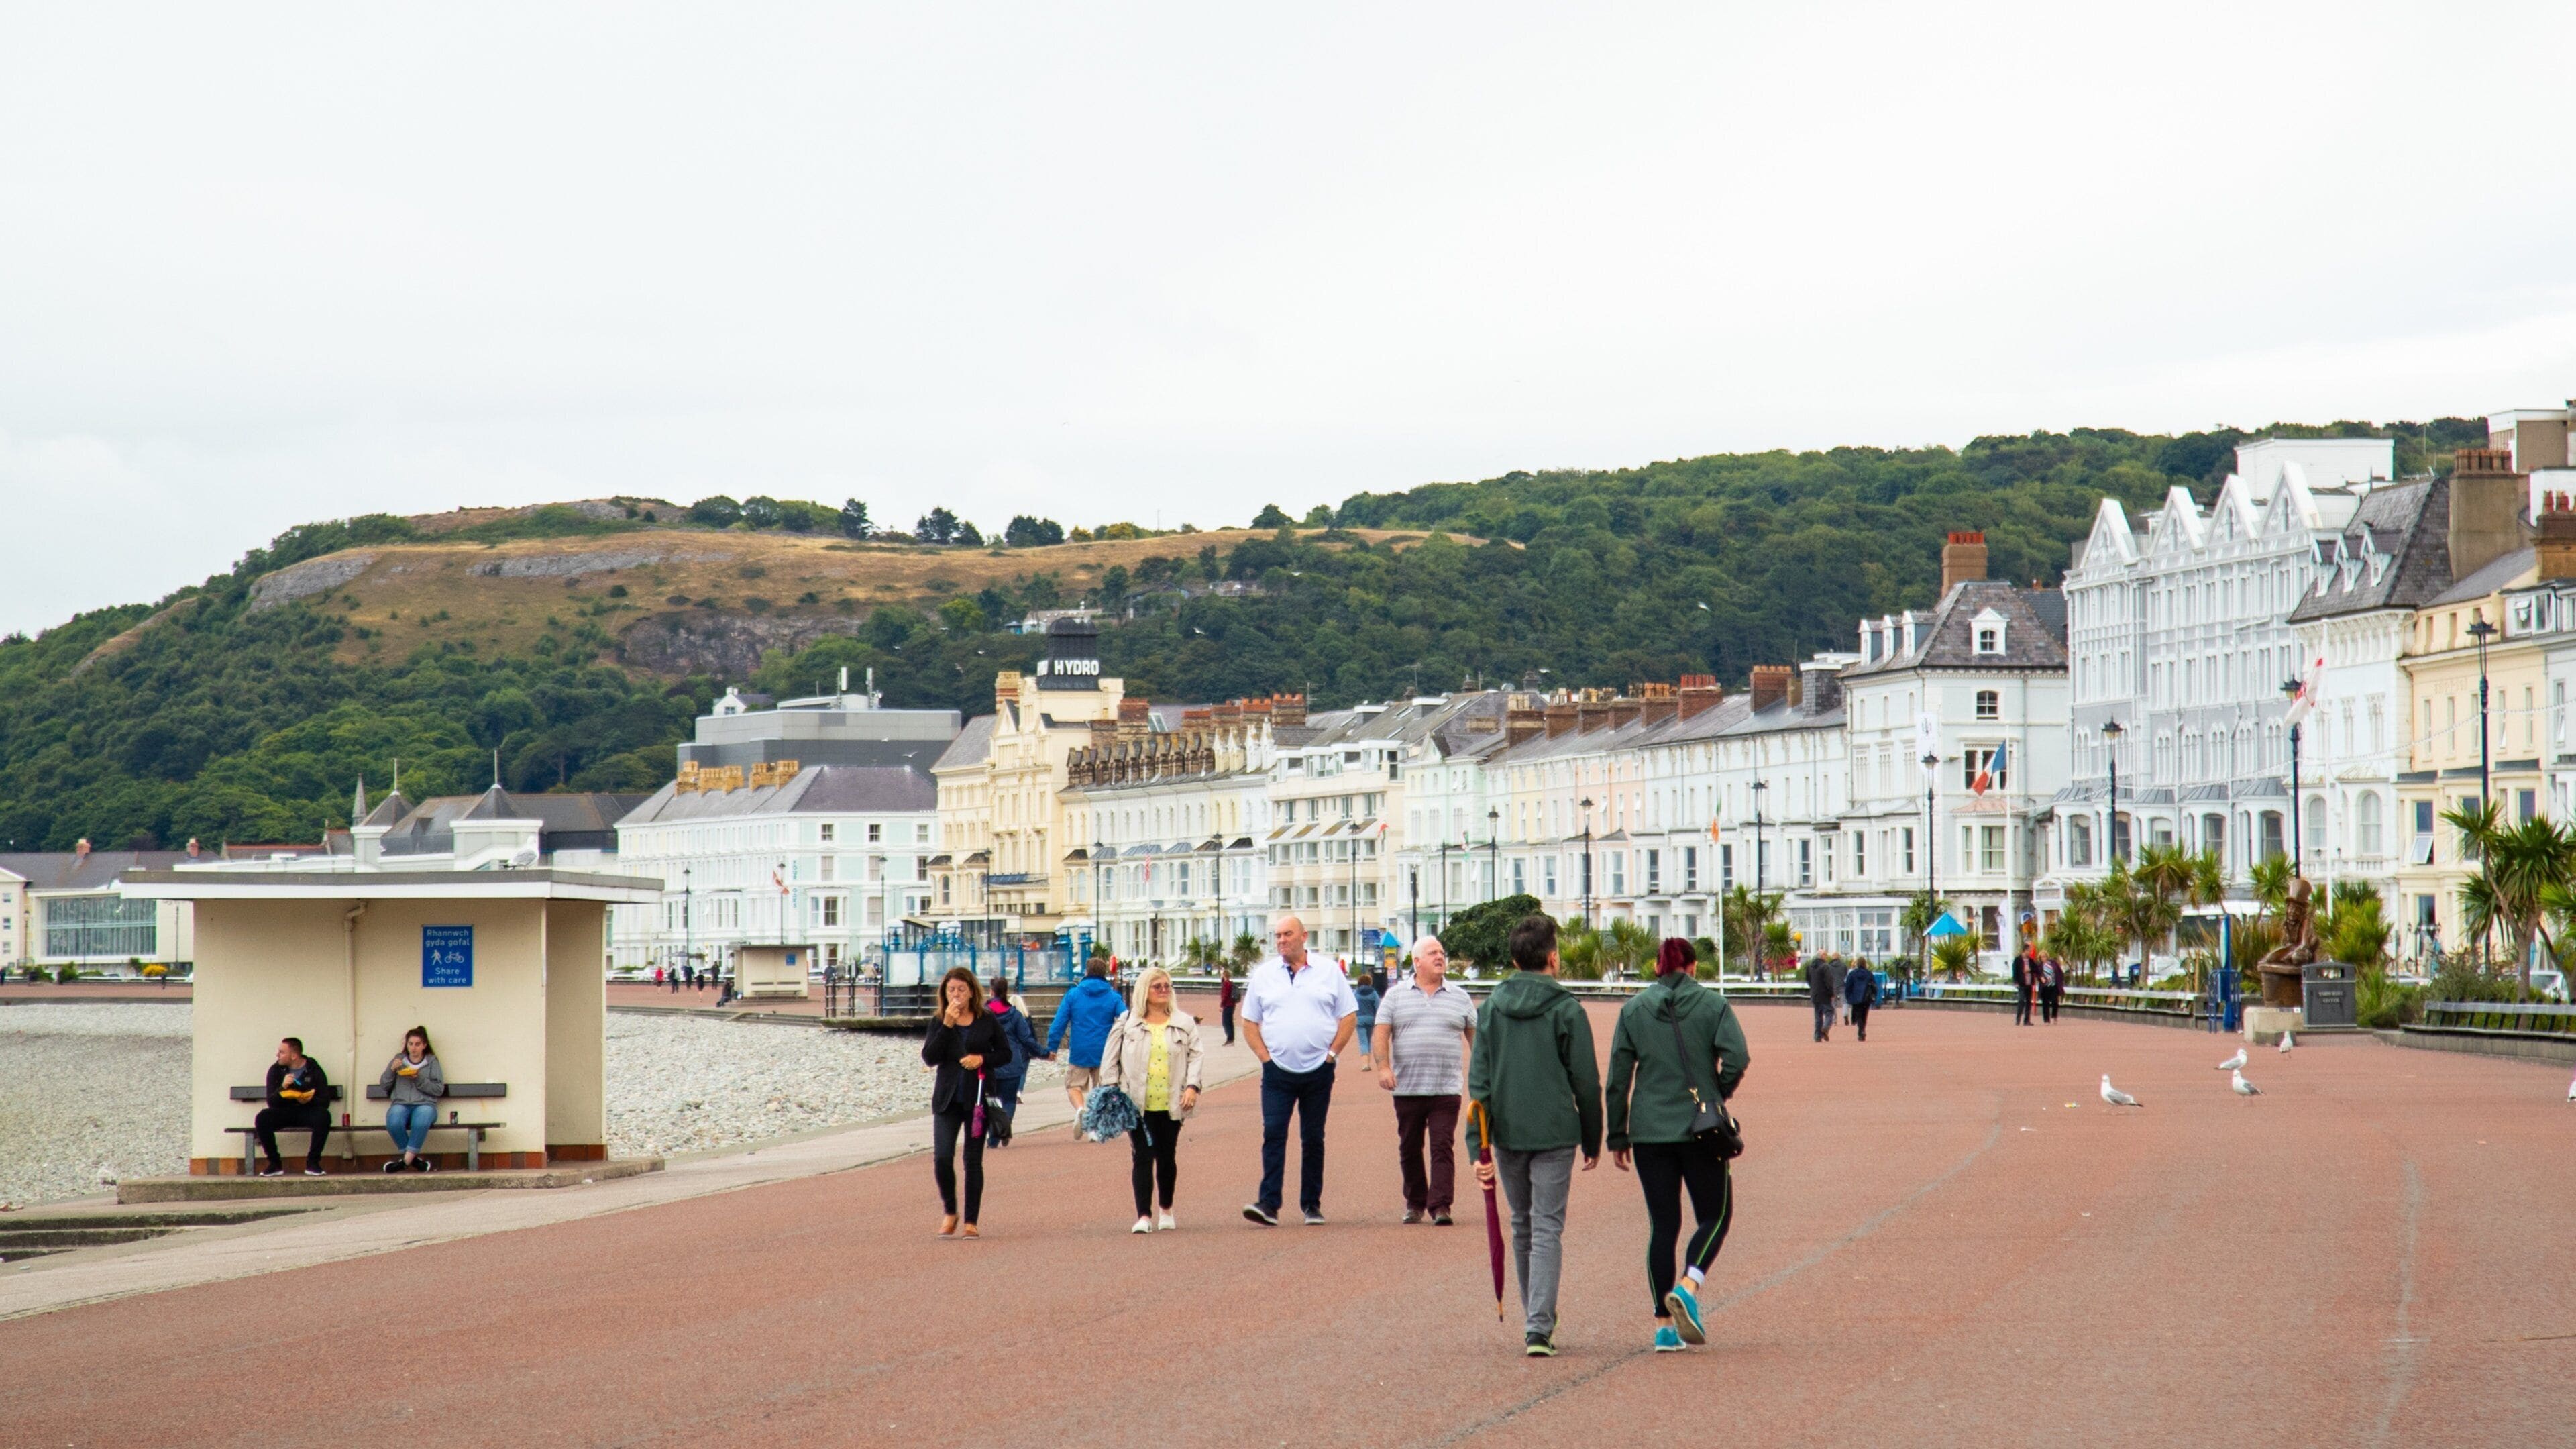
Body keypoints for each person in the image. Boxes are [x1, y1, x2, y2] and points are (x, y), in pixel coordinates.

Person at [1467, 914, 1603, 1357]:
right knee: (1546, 1226)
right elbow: (1585, 1080)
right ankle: (1538, 1325)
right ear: (1551, 956)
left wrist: (1476, 1146)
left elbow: (1479, 1083)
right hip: (1555, 1130)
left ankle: (1535, 1319)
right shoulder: (1567, 1008)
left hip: (1505, 1130)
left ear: (1513, 958)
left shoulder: (1489, 1008)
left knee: (1523, 1223)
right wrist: (1593, 1136)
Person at [1607, 938, 1749, 1352]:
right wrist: (1716, 1093)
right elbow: (1737, 1058)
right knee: (1716, 1216)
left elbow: (1618, 1079)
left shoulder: (1633, 1010)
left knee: (1662, 1227)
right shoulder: (1713, 1005)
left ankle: (1664, 1328)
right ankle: (1689, 1285)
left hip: (1650, 1131)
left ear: (1657, 966)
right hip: (1701, 1128)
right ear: (1692, 966)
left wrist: (1617, 1134)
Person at [1240, 914, 1357, 1227]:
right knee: (1274, 1133)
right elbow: (1249, 1021)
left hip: (1319, 1070)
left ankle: (1311, 1204)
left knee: (1313, 1137)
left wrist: (1332, 1054)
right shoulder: (1264, 976)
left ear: (1304, 937)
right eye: (1277, 936)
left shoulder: (1328, 972)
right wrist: (1264, 1058)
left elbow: (1349, 1016)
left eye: (1287, 935)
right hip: (1277, 1072)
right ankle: (1269, 1203)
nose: (1281, 941)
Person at [1373, 934, 1476, 1224]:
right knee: (1410, 1146)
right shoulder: (1395, 996)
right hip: (1407, 1087)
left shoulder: (1460, 997)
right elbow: (1381, 1033)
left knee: (1442, 1145)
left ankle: (1441, 1205)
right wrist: (1383, 1068)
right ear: (1417, 962)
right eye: (1432, 953)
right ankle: (1415, 1201)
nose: (1440, 956)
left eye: (1442, 952)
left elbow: (1476, 1039)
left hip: (1446, 1088)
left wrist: (1483, 1073)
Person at [1097, 966, 1205, 1232]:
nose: (1163, 991)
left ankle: (1165, 1208)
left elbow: (1196, 1056)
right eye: (1157, 987)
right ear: (1145, 991)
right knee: (1142, 1155)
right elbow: (1109, 1062)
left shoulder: (1184, 1023)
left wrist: (1192, 1087)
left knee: (1167, 1156)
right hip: (1136, 1102)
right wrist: (1112, 1092)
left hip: (1172, 1101)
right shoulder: (1126, 1023)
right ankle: (1143, 1216)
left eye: (1167, 986)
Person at [921, 967, 1011, 1238]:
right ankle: (950, 1211)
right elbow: (930, 1057)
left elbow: (1006, 1053)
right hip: (947, 1100)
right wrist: (948, 1025)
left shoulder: (986, 1019)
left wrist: (982, 1059)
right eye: (951, 990)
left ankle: (971, 1220)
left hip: (977, 1101)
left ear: (972, 991)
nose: (956, 995)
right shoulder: (940, 1021)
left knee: (972, 1160)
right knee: (943, 1157)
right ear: (944, 993)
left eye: (961, 989)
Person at [1045, 957, 1128, 1124]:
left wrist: (1052, 1046)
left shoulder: (1073, 995)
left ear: (1087, 972)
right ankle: (1096, 1123)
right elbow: (1126, 1019)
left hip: (1080, 1049)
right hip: (1105, 1051)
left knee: (1074, 1086)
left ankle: (1081, 1110)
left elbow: (1059, 1022)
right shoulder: (1113, 997)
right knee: (1102, 1089)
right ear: (1104, 974)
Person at [255, 1036, 333, 1177]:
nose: (277, 1055)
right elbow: (271, 1102)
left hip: (307, 1110)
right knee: (263, 1118)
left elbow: (325, 1101)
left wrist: (308, 1100)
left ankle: (313, 1162)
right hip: (284, 1111)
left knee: (324, 1117)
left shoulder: (314, 1069)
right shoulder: (276, 1070)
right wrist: (282, 1087)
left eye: (282, 1052)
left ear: (294, 1055)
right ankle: (274, 1163)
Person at [376, 1025, 446, 1173]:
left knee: (421, 1121)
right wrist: (392, 1070)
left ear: (424, 1046)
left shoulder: (432, 1062)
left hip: (425, 1104)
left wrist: (418, 1078)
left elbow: (438, 1089)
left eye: (417, 1044)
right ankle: (413, 1161)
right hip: (401, 1103)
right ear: (406, 1045)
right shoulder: (399, 1060)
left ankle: (404, 1163)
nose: (413, 1048)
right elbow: (384, 1085)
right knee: (394, 1120)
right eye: (410, 1044)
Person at [984, 975, 1044, 1148]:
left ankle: (993, 1139)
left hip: (991, 1064)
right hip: (1012, 1062)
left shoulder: (983, 1013)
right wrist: (1044, 1053)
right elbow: (1027, 1039)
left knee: (993, 1101)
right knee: (1009, 1101)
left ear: (991, 991)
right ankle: (1004, 1127)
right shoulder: (1015, 1015)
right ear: (1006, 992)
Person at [1843, 959, 1880, 1043]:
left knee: (1858, 1015)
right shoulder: (1869, 974)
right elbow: (1874, 986)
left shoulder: (1852, 974)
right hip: (1866, 997)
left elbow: (1848, 987)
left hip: (1856, 998)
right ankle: (1862, 1030)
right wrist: (1873, 996)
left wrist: (1849, 997)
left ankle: (1861, 1031)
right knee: (1864, 1015)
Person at [1805, 953, 1835, 1042]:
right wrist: (1831, 993)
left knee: (1818, 1016)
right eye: (1825, 955)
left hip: (1815, 994)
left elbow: (1808, 980)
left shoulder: (1810, 967)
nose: (1827, 957)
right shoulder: (1825, 967)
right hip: (1824, 994)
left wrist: (1813, 988)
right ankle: (1825, 1029)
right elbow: (1829, 981)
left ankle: (1817, 1036)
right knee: (1830, 1012)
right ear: (1822, 956)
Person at [1352, 971, 1381, 1066]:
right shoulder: (1373, 993)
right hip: (1371, 1019)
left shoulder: (1356, 993)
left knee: (1363, 1041)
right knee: (1368, 1040)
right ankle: (1368, 1062)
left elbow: (1352, 1006)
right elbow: (1378, 1007)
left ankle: (1365, 1064)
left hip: (1359, 1019)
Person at [2012, 945, 2039, 1026]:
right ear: (2025, 950)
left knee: (2028, 1002)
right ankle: (2018, 1019)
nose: (2030, 953)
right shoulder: (2017, 960)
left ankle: (2027, 1021)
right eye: (2029, 951)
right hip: (2021, 984)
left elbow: (2036, 969)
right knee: (2021, 1000)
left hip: (2029, 983)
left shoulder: (2031, 961)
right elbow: (2015, 971)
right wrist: (2016, 982)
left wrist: (2030, 970)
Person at [2041, 955, 2065, 1024]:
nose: (2043, 958)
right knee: (2045, 1004)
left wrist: (2060, 981)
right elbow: (2037, 974)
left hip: (2053, 986)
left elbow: (2059, 972)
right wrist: (2041, 978)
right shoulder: (2040, 966)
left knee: (2055, 1002)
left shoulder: (2053, 963)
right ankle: (2046, 1020)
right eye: (2042, 957)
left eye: (2044, 956)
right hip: (2045, 987)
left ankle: (2054, 1016)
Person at [1217, 967, 1238, 1046]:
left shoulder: (1226, 984)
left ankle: (1230, 1039)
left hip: (1227, 1005)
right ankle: (1231, 1039)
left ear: (1224, 975)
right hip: (1232, 1005)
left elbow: (1225, 996)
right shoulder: (1230, 983)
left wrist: (1221, 1005)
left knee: (1226, 1022)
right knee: (1230, 1022)